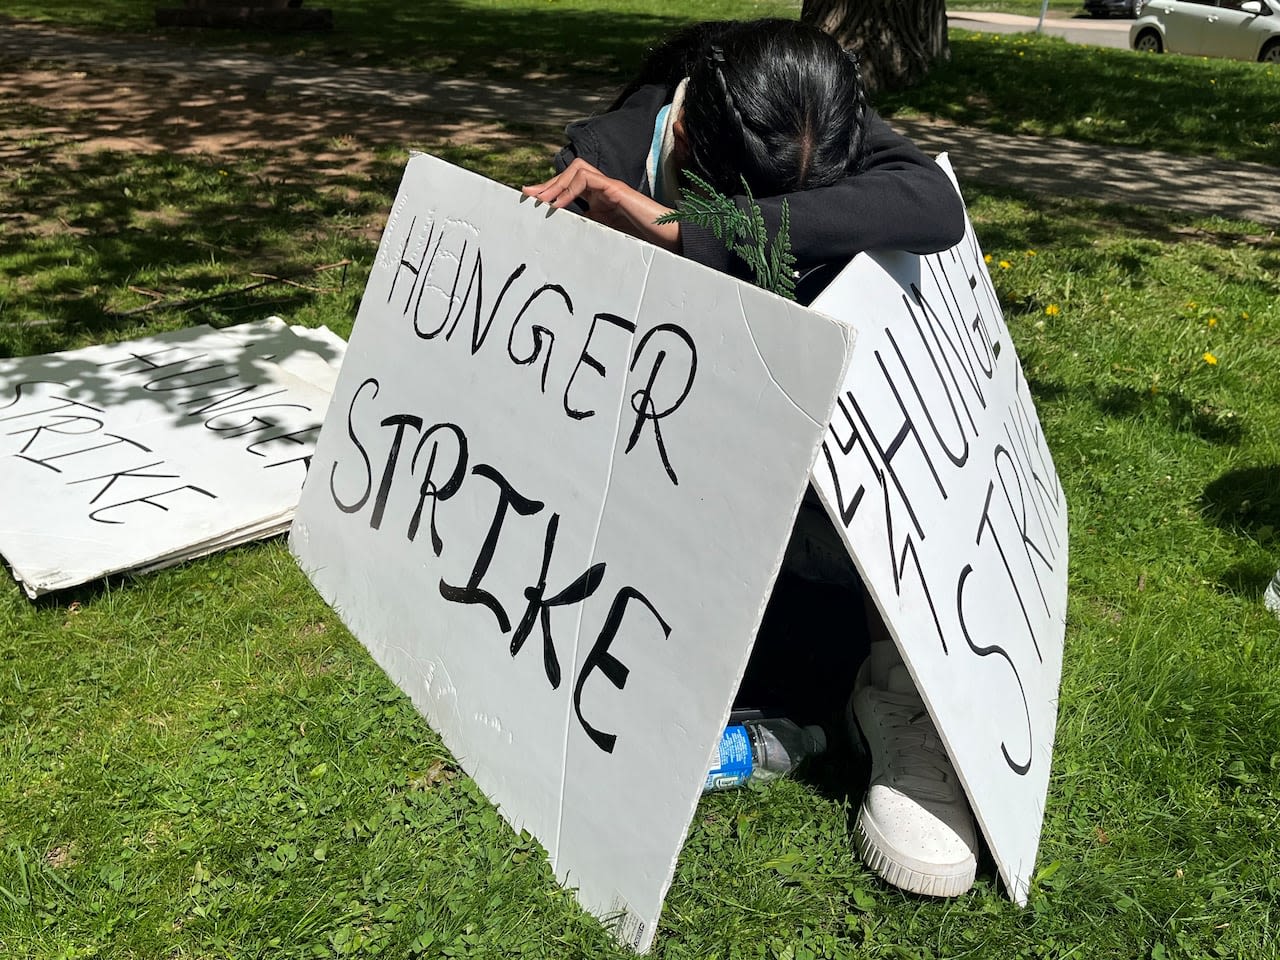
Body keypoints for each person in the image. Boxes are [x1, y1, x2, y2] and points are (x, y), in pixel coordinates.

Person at [523, 18, 978, 898]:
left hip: (818, 479)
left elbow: (932, 205)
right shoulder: (606, 158)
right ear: (687, 131)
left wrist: (694, 228)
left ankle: (891, 692)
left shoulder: (807, 112)